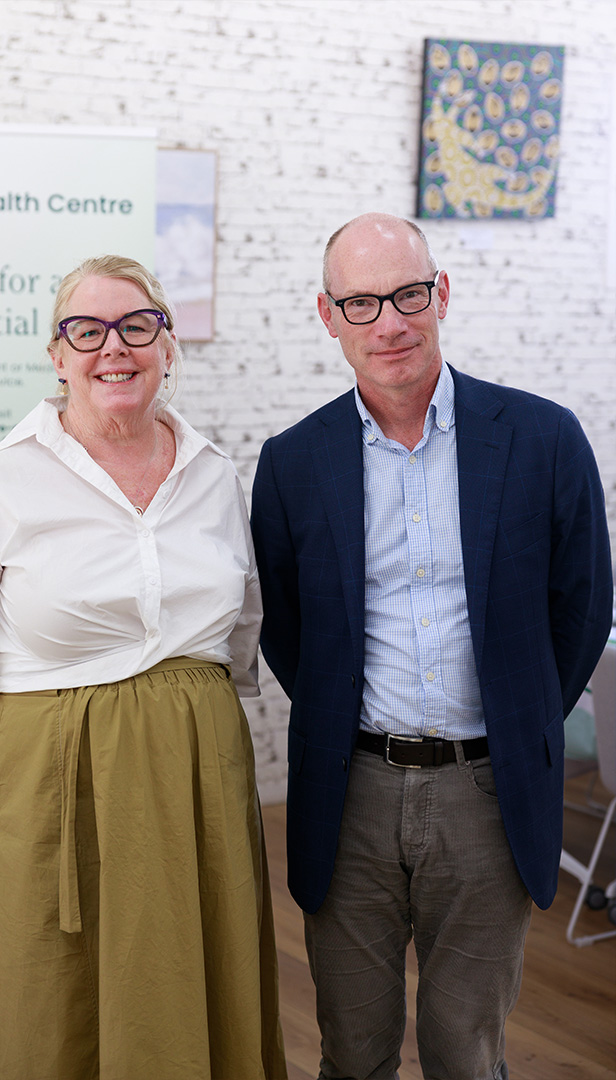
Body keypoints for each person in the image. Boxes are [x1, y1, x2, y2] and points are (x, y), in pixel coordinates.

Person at [0, 255, 287, 1080]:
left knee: (184, 979)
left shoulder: (214, 476)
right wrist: (32, 761)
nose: (115, 347)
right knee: (44, 1000)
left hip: (195, 782)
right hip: (48, 782)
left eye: (137, 325)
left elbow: (238, 629)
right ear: (58, 353)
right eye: (88, 329)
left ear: (167, 343)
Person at [250, 213, 613, 1080]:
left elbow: (582, 609)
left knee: (467, 1051)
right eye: (362, 303)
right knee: (354, 1048)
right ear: (328, 316)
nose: (391, 322)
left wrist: (520, 723)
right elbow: (287, 628)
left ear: (441, 293)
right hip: (352, 794)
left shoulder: (544, 438)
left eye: (409, 293)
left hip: (488, 794)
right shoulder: (292, 462)